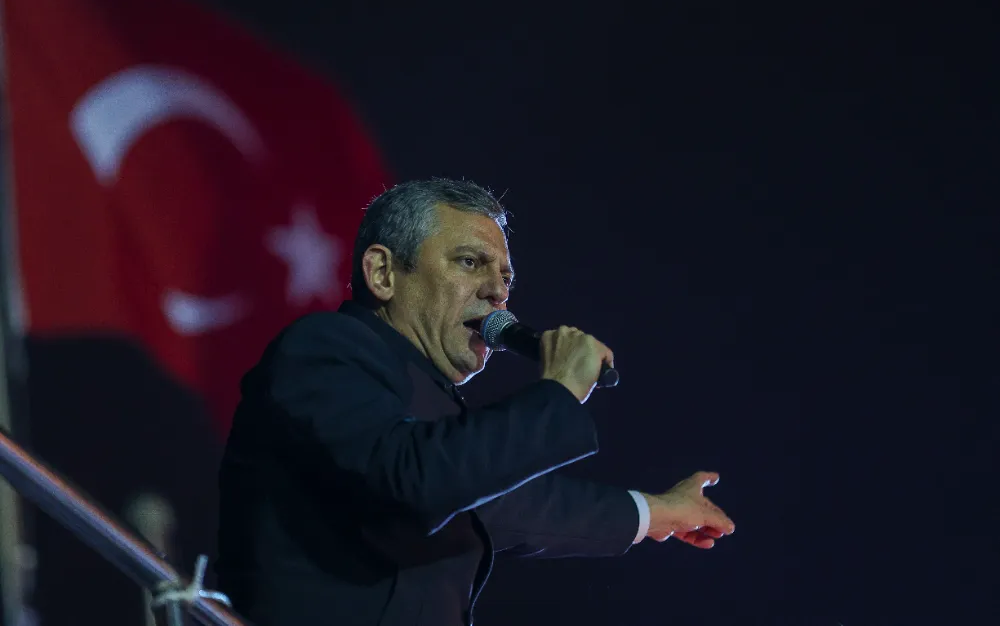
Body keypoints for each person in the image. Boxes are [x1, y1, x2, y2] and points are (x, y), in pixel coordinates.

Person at [216, 178, 735, 626]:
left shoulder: (433, 405)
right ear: (383, 273)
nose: (497, 293)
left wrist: (657, 511)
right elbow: (414, 480)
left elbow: (521, 508)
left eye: (506, 278)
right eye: (470, 262)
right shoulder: (323, 349)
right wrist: (557, 391)